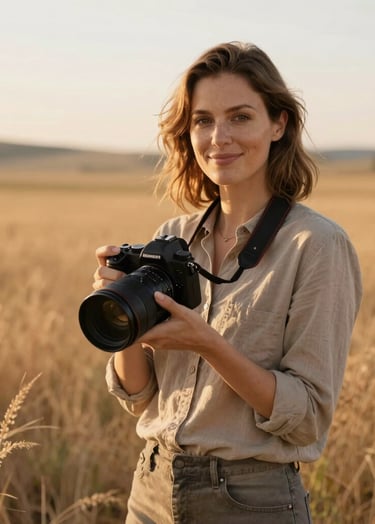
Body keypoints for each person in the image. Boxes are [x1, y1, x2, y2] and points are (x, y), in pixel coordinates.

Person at [92, 42, 362, 523]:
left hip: (250, 502)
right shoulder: (172, 237)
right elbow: (139, 398)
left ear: (278, 124)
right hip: (150, 491)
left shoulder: (315, 245)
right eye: (203, 120)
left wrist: (208, 345)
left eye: (240, 117)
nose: (219, 137)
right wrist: (120, 310)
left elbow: (306, 418)